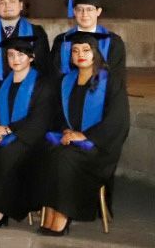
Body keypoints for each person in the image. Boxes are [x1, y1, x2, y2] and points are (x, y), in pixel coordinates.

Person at [38, 31, 130, 236]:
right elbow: (57, 116)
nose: (80, 54)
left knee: (64, 157)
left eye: (86, 50)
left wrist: (86, 136)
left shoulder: (110, 81)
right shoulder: (66, 81)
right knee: (47, 151)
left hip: (99, 149)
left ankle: (63, 214)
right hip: (71, 142)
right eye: (75, 51)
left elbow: (118, 121)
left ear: (95, 53)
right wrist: (65, 131)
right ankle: (51, 210)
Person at [0, 36, 52, 228]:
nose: (15, 59)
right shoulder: (4, 84)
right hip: (8, 136)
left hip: (32, 139)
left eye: (21, 54)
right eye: (11, 55)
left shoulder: (42, 84)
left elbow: (40, 119)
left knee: (7, 155)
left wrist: (8, 129)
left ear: (31, 57)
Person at [50, 0, 127, 74]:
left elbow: (117, 78)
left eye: (89, 9)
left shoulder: (114, 42)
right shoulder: (62, 40)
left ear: (98, 11)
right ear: (74, 12)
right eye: (79, 9)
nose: (84, 14)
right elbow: (54, 74)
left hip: (102, 87)